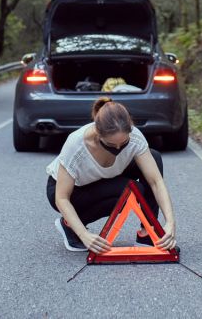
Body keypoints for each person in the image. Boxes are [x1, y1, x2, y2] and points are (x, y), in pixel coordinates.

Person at [45, 97, 176, 252]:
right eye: (111, 145)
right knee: (130, 191)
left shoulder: (135, 137)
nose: (118, 148)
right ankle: (71, 226)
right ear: (98, 133)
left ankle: (148, 232)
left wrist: (170, 223)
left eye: (124, 143)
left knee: (154, 157)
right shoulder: (76, 145)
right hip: (71, 192)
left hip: (104, 180)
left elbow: (156, 182)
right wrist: (84, 234)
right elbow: (61, 198)